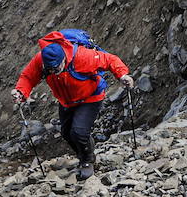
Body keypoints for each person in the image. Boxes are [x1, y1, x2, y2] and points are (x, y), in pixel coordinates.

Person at [12, 29, 132, 179]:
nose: (54, 72)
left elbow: (109, 60)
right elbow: (28, 77)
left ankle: (87, 161)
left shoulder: (83, 57)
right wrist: (21, 92)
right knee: (67, 133)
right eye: (50, 70)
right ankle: (84, 152)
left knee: (79, 132)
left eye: (56, 68)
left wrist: (122, 75)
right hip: (67, 101)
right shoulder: (41, 60)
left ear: (63, 59)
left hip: (90, 97)